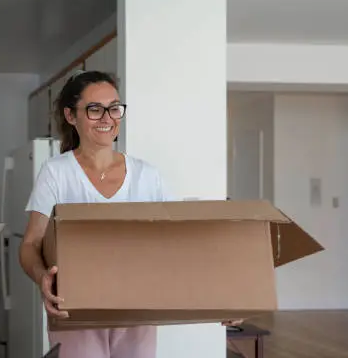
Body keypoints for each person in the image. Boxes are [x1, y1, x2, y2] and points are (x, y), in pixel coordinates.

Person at [19, 70, 239, 358]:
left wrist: (224, 296)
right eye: (95, 109)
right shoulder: (56, 173)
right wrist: (42, 277)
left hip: (138, 312)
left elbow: (183, 245)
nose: (107, 118)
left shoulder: (148, 176)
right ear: (71, 116)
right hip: (75, 312)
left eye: (114, 108)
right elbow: (30, 244)